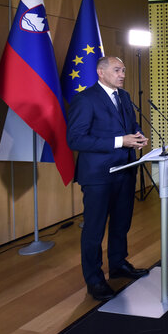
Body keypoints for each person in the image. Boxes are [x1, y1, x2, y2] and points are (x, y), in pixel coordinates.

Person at [67, 56, 149, 301]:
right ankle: (94, 280)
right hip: (98, 175)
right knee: (94, 229)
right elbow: (75, 139)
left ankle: (118, 264)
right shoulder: (85, 99)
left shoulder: (123, 96)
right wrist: (119, 141)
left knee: (121, 223)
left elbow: (132, 124)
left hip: (125, 170)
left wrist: (138, 136)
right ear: (100, 72)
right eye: (116, 70)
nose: (122, 74)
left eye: (123, 70)